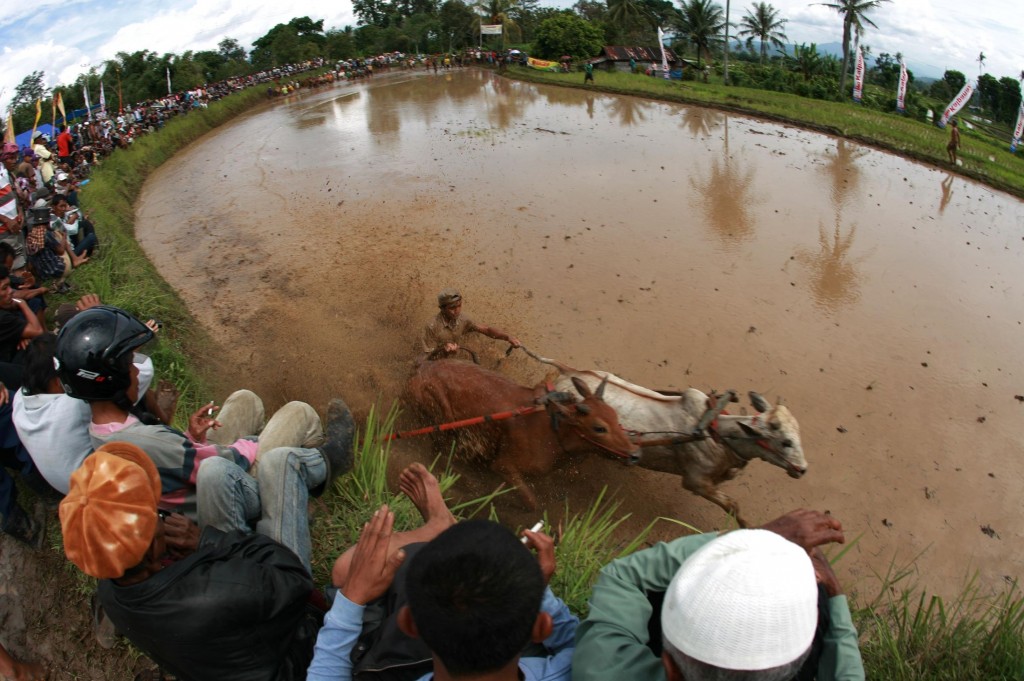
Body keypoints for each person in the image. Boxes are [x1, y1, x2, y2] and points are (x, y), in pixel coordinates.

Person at [59, 440, 343, 680]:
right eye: (156, 514)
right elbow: (295, 579)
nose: (161, 513)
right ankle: (332, 460)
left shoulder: (110, 589)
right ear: (153, 545)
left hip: (233, 639)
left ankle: (276, 497)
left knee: (215, 471)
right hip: (294, 649)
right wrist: (207, 541)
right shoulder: (217, 591)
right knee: (281, 462)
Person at [54, 306, 355, 530]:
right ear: (110, 378)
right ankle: (317, 473)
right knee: (298, 412)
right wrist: (251, 445)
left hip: (190, 480)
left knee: (244, 400)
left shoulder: (102, 431)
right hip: (224, 498)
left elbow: (172, 459)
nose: (135, 370)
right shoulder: (142, 440)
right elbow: (220, 465)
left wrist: (190, 438)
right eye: (129, 364)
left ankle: (285, 456)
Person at [307, 476, 576, 681]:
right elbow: (580, 643)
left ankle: (441, 529)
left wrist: (352, 597)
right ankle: (444, 527)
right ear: (541, 627)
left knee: (344, 569)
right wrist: (535, 589)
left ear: (410, 622)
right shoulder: (573, 672)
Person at [572, 509, 865, 681]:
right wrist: (835, 596)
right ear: (800, 664)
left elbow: (624, 576)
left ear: (670, 669)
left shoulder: (598, 669)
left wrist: (754, 538)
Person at [420, 288, 521, 360]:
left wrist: (508, 337)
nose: (457, 311)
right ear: (442, 308)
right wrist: (445, 352)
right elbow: (427, 359)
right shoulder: (432, 327)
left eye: (459, 306)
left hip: (453, 359)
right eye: (452, 308)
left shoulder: (463, 319)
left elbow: (486, 329)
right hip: (435, 365)